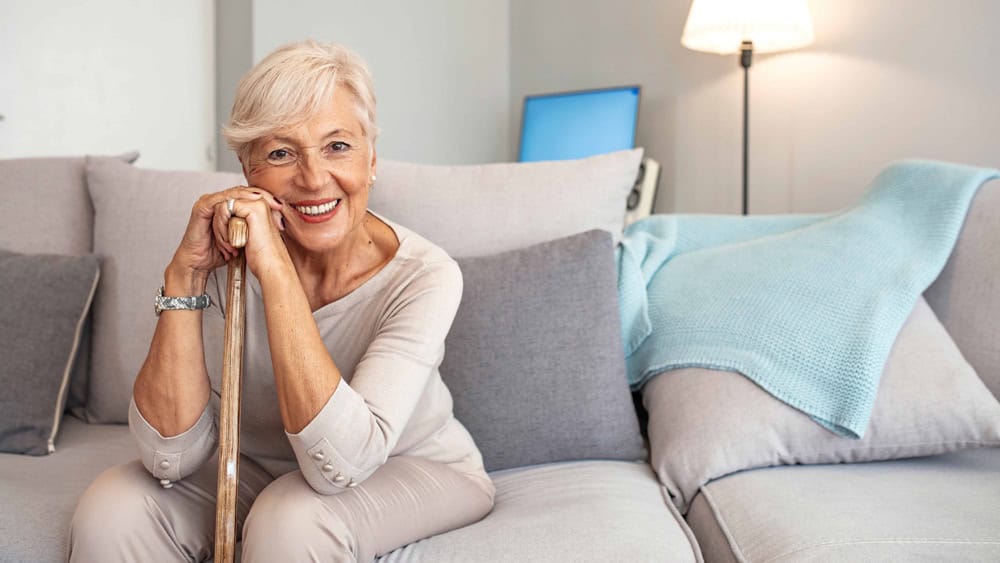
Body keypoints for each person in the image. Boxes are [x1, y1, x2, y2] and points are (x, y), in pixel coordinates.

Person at [69, 40, 495, 562]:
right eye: (281, 153)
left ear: (372, 159)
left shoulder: (425, 275)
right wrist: (186, 273)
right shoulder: (222, 258)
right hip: (256, 467)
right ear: (249, 173)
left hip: (409, 467)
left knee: (290, 519)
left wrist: (274, 270)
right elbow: (168, 457)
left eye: (337, 146)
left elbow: (339, 464)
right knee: (112, 509)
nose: (314, 178)